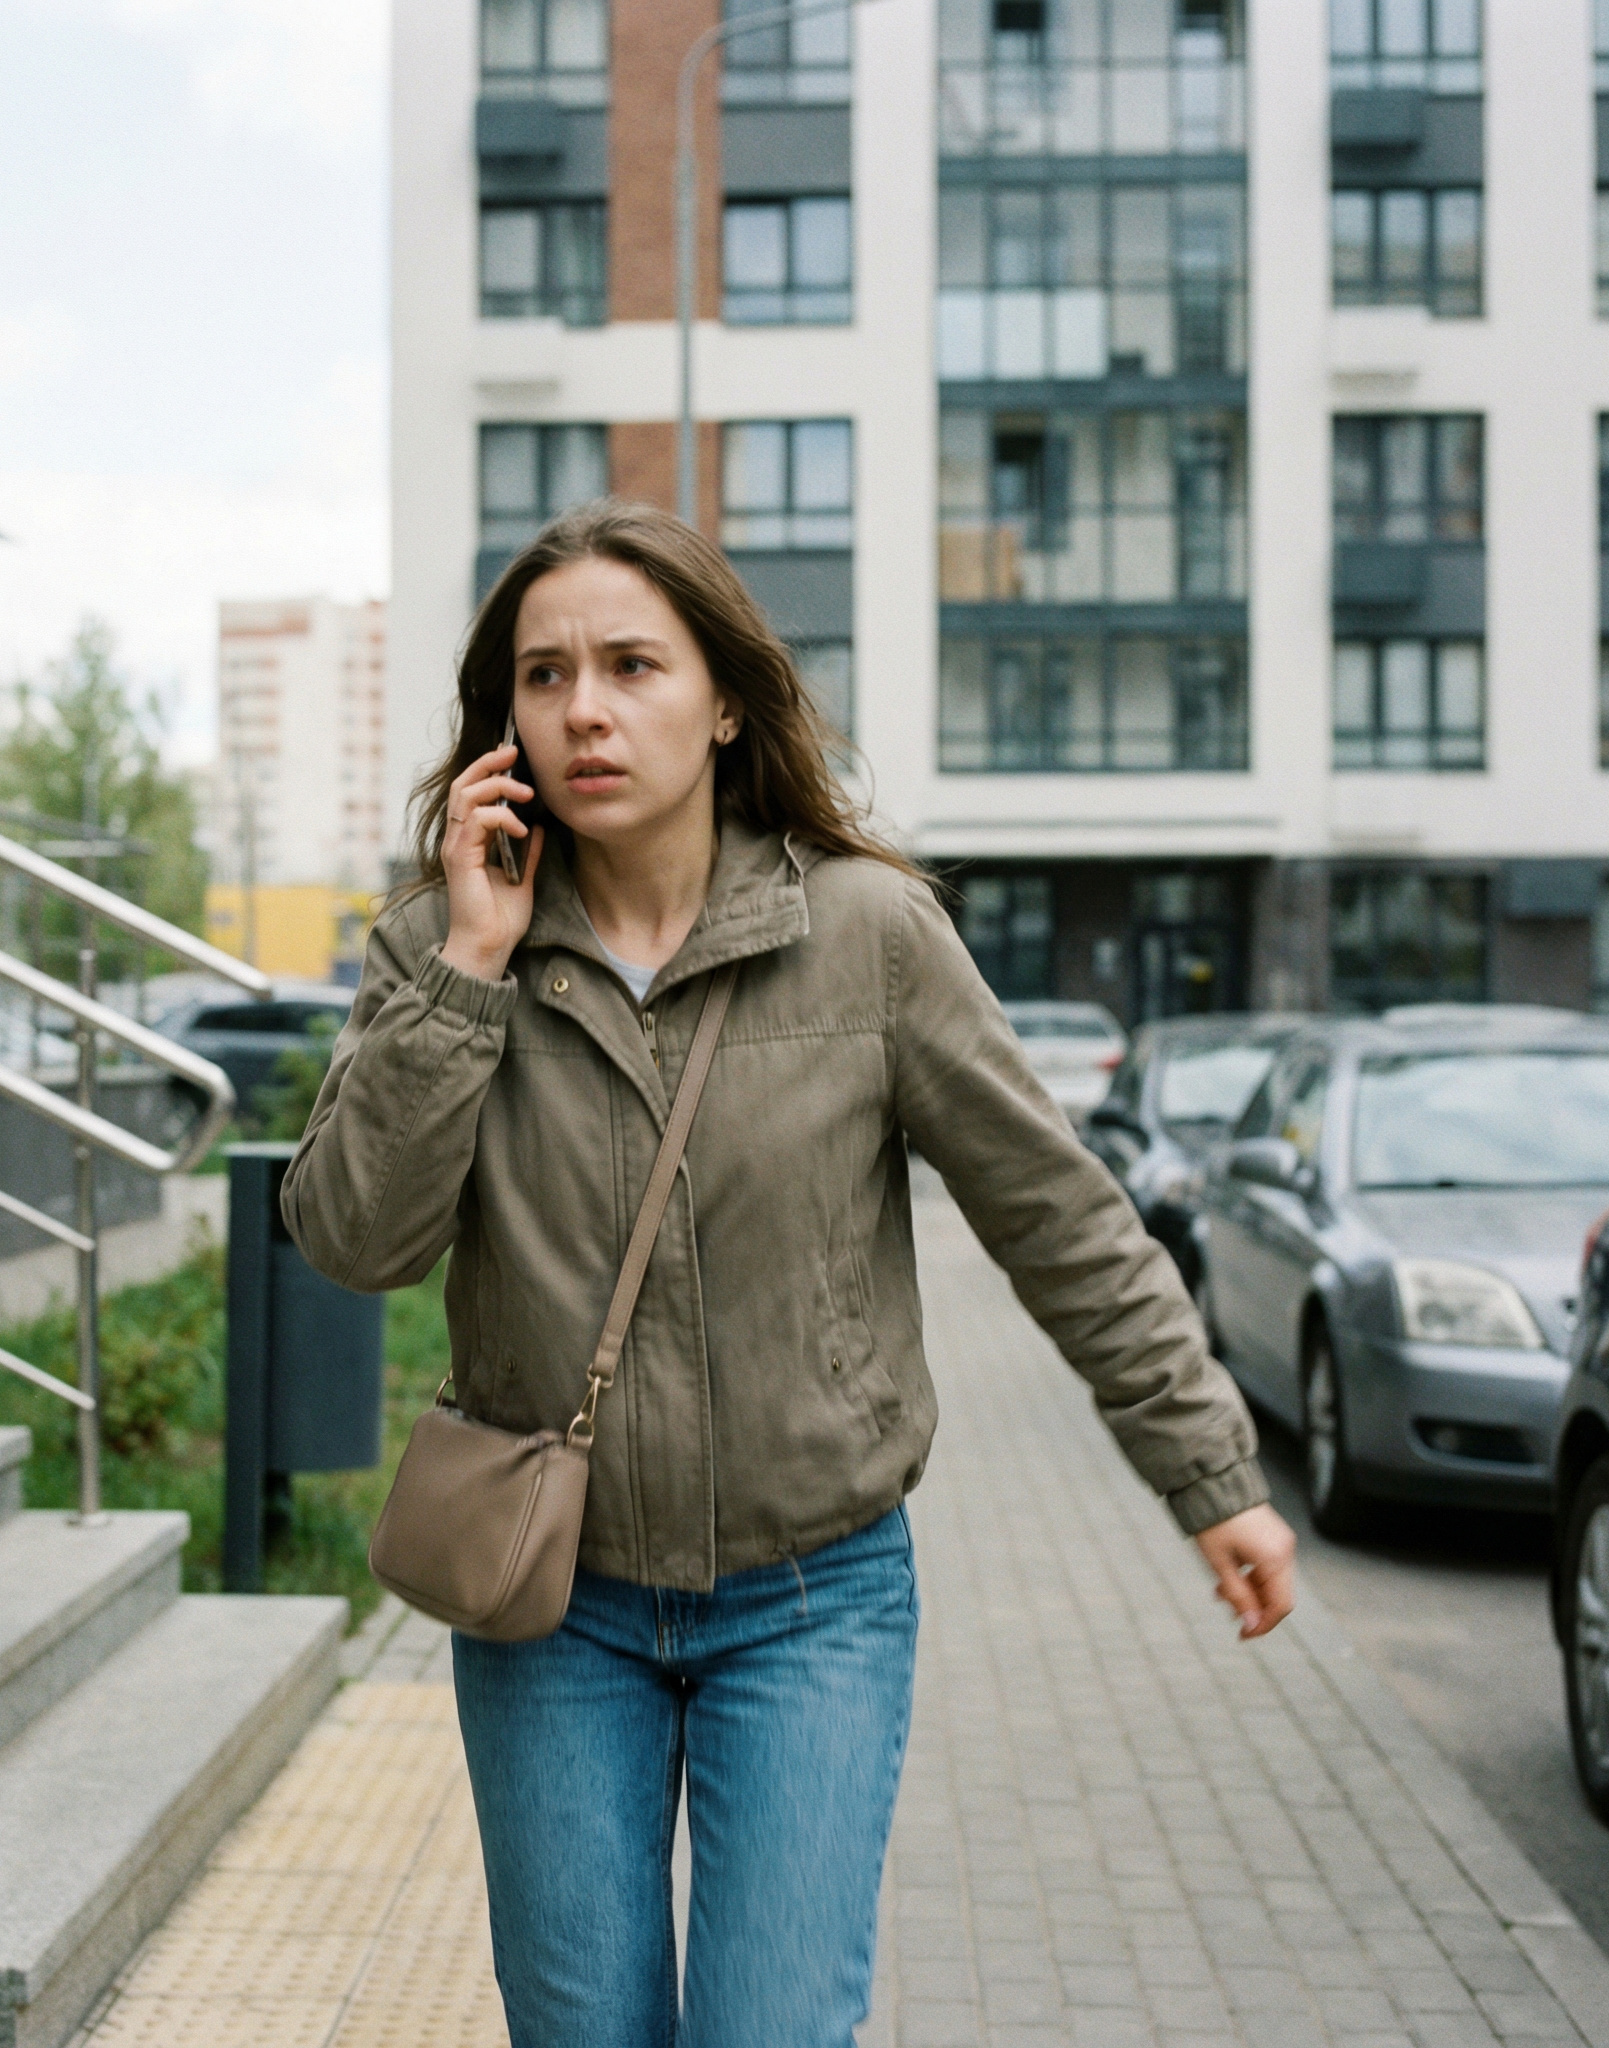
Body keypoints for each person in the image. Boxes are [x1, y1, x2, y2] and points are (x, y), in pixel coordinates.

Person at [281, 499, 1295, 2048]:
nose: (587, 709)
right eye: (544, 677)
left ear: (728, 699)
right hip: (551, 1607)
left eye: (633, 664)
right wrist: (468, 975)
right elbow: (353, 1241)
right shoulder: (447, 941)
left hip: (812, 1601)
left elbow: (1060, 1214)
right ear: (506, 724)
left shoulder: (867, 934)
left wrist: (1209, 1468)